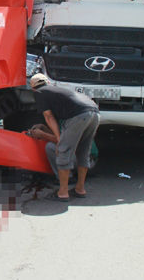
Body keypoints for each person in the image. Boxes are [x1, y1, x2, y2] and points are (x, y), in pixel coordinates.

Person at [27, 73, 100, 202]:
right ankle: (80, 189)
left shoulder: (40, 92)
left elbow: (49, 116)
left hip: (79, 116)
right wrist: (48, 130)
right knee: (83, 152)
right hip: (94, 112)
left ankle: (63, 193)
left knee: (62, 151)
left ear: (33, 88)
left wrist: (58, 139)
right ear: (48, 82)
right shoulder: (61, 92)